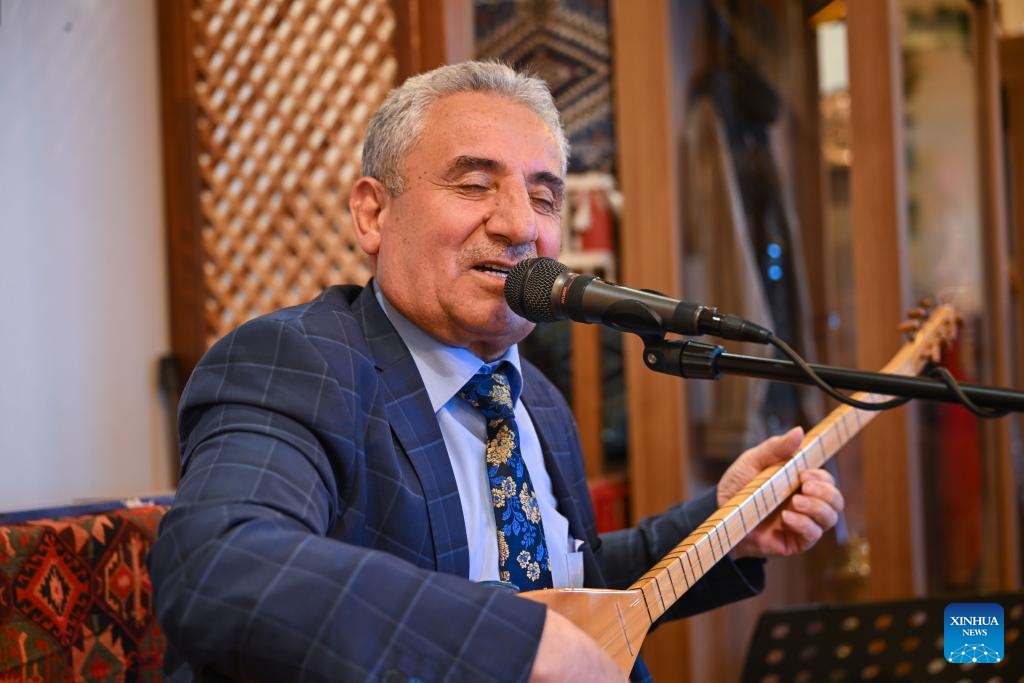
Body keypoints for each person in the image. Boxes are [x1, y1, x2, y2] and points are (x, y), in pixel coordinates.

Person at [149, 60, 844, 683]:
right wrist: (515, 642)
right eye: (475, 184)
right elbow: (222, 563)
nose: (520, 225)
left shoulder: (535, 399)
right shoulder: (297, 362)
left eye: (544, 198)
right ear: (372, 213)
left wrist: (724, 526)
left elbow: (567, 592)